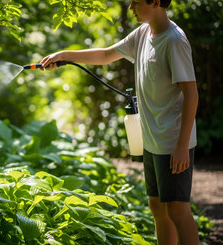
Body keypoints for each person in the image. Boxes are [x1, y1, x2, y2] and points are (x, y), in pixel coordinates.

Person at [40, 0, 199, 244]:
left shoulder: (174, 41)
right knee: (157, 205)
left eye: (136, 2)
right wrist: (64, 55)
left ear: (155, 2)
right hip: (152, 139)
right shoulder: (143, 33)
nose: (131, 8)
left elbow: (191, 93)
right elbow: (106, 54)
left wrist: (182, 145)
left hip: (173, 140)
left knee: (177, 210)